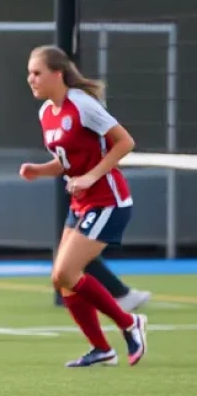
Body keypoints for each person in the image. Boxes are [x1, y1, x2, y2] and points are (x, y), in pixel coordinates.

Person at [21, 45, 147, 368]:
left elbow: (125, 142)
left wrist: (90, 177)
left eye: (36, 73)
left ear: (57, 74)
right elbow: (66, 161)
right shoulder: (46, 113)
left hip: (109, 200)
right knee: (60, 278)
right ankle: (102, 349)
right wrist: (39, 169)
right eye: (29, 73)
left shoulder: (83, 105)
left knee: (66, 271)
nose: (30, 79)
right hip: (81, 202)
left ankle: (129, 324)